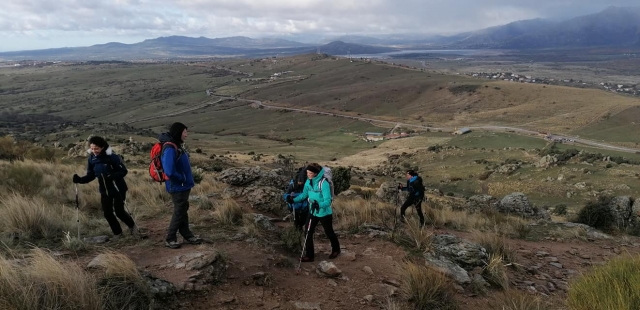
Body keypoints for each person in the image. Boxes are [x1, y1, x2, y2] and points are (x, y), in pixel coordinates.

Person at [73, 136, 139, 240]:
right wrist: (80, 180)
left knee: (119, 211)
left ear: (102, 147)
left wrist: (113, 176)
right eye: (92, 149)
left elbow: (123, 171)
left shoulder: (111, 157)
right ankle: (118, 233)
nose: (94, 151)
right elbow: (91, 175)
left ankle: (132, 227)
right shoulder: (92, 159)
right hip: (105, 190)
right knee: (107, 213)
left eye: (97, 149)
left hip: (118, 188)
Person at [158, 122, 202, 249]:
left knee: (182, 209)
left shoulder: (176, 145)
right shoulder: (170, 148)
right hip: (178, 186)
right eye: (185, 132)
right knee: (179, 211)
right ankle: (170, 238)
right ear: (178, 132)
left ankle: (187, 234)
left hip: (182, 185)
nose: (186, 135)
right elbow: (169, 171)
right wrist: (181, 178)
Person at [287, 163, 340, 262]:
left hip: (324, 213)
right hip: (312, 212)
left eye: (310, 173)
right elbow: (304, 195)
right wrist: (293, 200)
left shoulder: (323, 183)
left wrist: (319, 205)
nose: (308, 174)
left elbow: (328, 201)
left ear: (316, 173)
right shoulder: (308, 182)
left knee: (329, 232)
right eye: (307, 172)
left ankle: (336, 249)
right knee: (307, 232)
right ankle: (309, 255)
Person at [283, 167, 310, 231]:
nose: (300, 183)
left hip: (304, 207)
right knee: (297, 222)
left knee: (303, 221)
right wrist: (288, 198)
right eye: (299, 182)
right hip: (294, 207)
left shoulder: (308, 185)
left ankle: (299, 232)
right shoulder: (292, 185)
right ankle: (298, 234)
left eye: (301, 182)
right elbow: (286, 194)